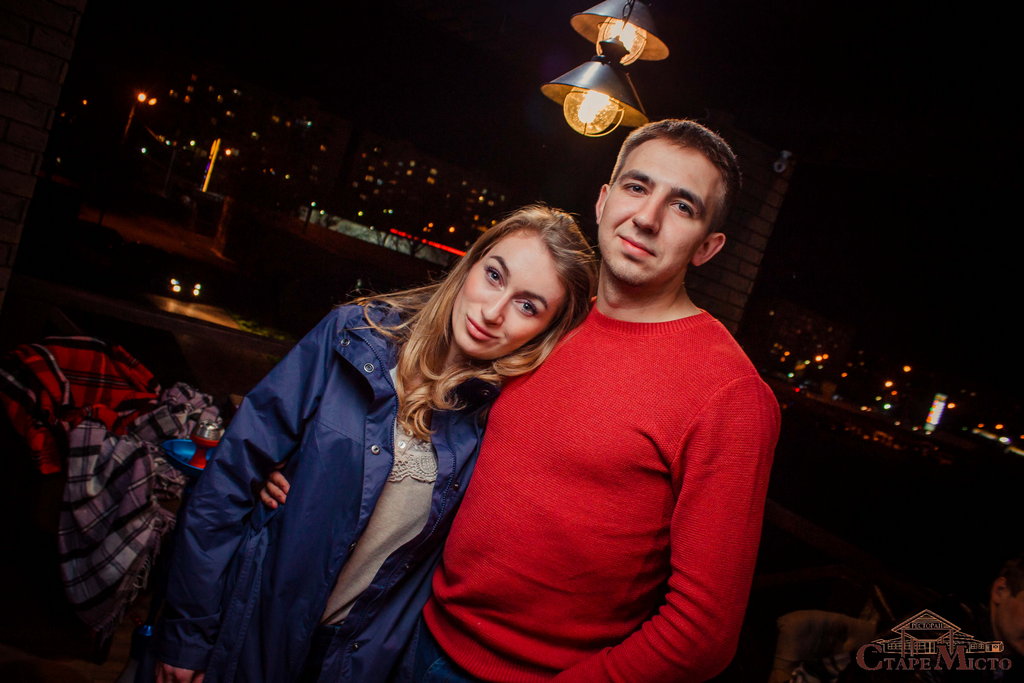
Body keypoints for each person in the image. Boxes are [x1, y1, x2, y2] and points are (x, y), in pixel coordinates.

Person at [263, 119, 782, 681]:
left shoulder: (730, 394)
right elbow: (425, 418)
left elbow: (702, 636)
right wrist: (310, 465)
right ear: (604, 200)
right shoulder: (545, 320)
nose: (647, 217)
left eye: (682, 206)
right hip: (404, 629)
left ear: (707, 247)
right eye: (637, 186)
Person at [152, 204, 597, 683]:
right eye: (494, 275)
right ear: (471, 263)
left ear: (548, 331)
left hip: (347, 662)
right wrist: (188, 634)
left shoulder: (503, 420)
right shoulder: (354, 336)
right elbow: (229, 480)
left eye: (528, 306)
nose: (492, 312)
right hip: (245, 631)